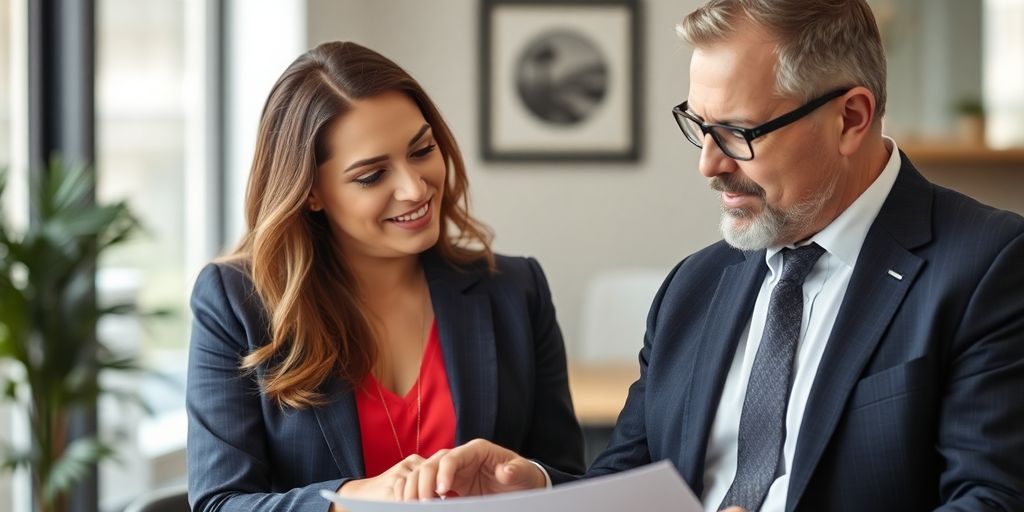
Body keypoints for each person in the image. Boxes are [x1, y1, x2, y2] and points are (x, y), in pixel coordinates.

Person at [400, 1, 1024, 510]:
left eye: (739, 134)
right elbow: (631, 482)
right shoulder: (693, 286)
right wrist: (533, 487)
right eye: (699, 126)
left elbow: (992, 499)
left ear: (850, 117)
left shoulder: (988, 264)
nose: (709, 163)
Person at [185, 41, 584, 512]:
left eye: (422, 150)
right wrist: (350, 499)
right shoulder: (235, 301)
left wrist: (533, 481)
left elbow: (571, 481)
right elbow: (220, 503)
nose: (415, 188)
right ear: (310, 191)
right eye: (372, 176)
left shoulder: (516, 290)